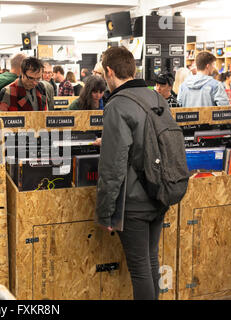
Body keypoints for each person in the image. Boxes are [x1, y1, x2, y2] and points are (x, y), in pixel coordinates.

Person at [96, 46, 169, 300]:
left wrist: (105, 213)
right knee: (150, 262)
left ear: (109, 71)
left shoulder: (117, 105)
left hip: (134, 200)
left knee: (140, 270)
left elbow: (113, 166)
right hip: (159, 191)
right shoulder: (157, 98)